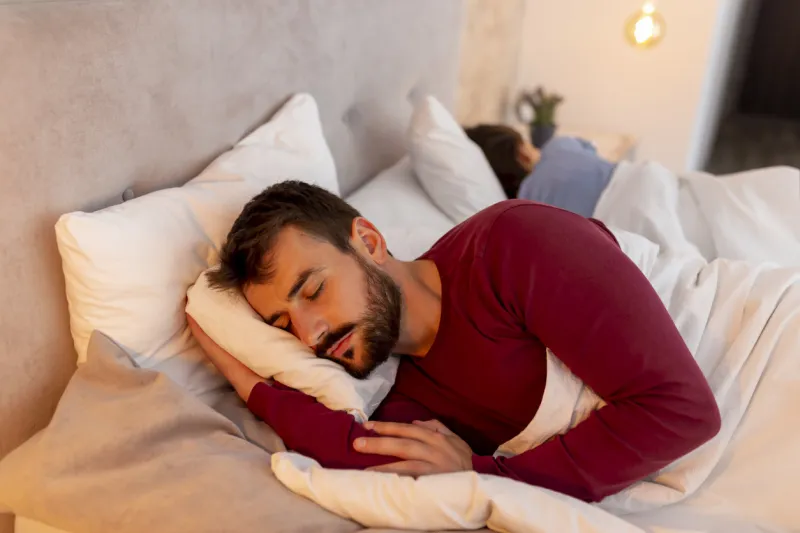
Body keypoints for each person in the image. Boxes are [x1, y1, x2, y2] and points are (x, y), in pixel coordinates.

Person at [187, 181, 721, 503]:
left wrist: (482, 473)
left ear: (369, 242)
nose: (310, 334)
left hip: (752, 345)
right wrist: (237, 369)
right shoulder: (406, 397)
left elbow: (682, 409)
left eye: (314, 290)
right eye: (282, 325)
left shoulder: (512, 246)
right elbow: (346, 448)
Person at [465, 124, 617, 218]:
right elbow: (592, 151)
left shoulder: (528, 206)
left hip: (613, 227)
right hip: (629, 180)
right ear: (523, 153)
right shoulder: (558, 146)